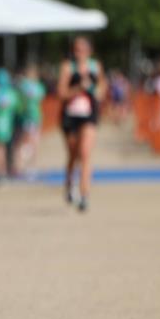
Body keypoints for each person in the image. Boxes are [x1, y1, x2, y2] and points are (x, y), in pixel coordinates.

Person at [57, 36, 107, 212]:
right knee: (73, 155)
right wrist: (78, 88)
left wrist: (98, 92)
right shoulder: (67, 67)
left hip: (89, 115)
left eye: (83, 49)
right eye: (77, 50)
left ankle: (84, 195)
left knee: (85, 153)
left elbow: (102, 86)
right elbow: (61, 93)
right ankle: (69, 184)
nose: (80, 53)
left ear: (89, 51)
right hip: (70, 116)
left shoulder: (96, 66)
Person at [15, 64, 46, 177]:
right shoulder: (26, 86)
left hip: (34, 117)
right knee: (27, 142)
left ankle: (29, 166)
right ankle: (21, 165)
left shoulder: (33, 86)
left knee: (33, 142)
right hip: (28, 117)